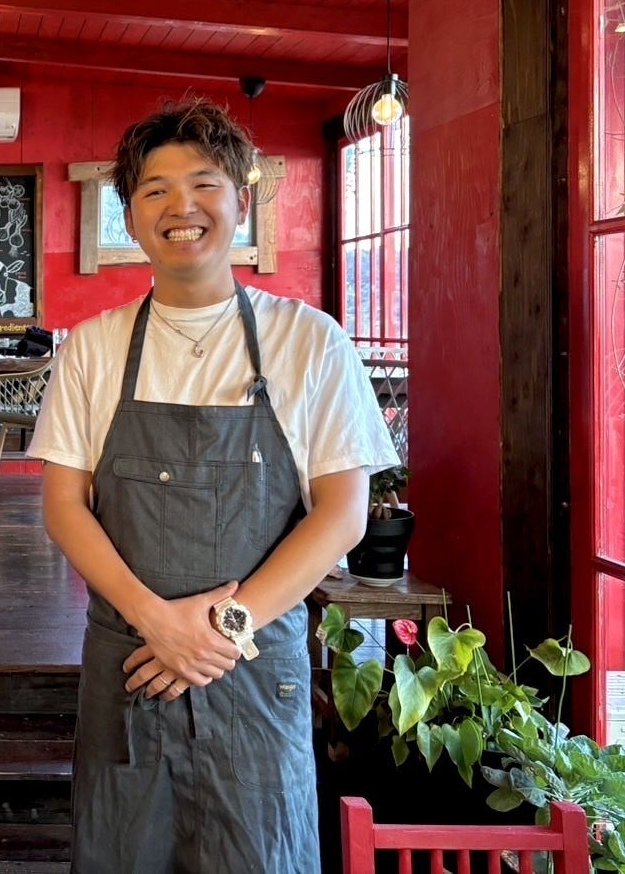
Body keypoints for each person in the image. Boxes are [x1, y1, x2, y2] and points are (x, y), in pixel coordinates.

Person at [28, 99, 400, 872]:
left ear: (241, 201)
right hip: (131, 664)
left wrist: (221, 629)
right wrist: (155, 622)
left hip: (254, 670)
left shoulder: (309, 341)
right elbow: (63, 506)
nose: (181, 207)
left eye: (202, 185)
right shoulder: (94, 348)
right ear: (130, 214)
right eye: (154, 190)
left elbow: (342, 514)